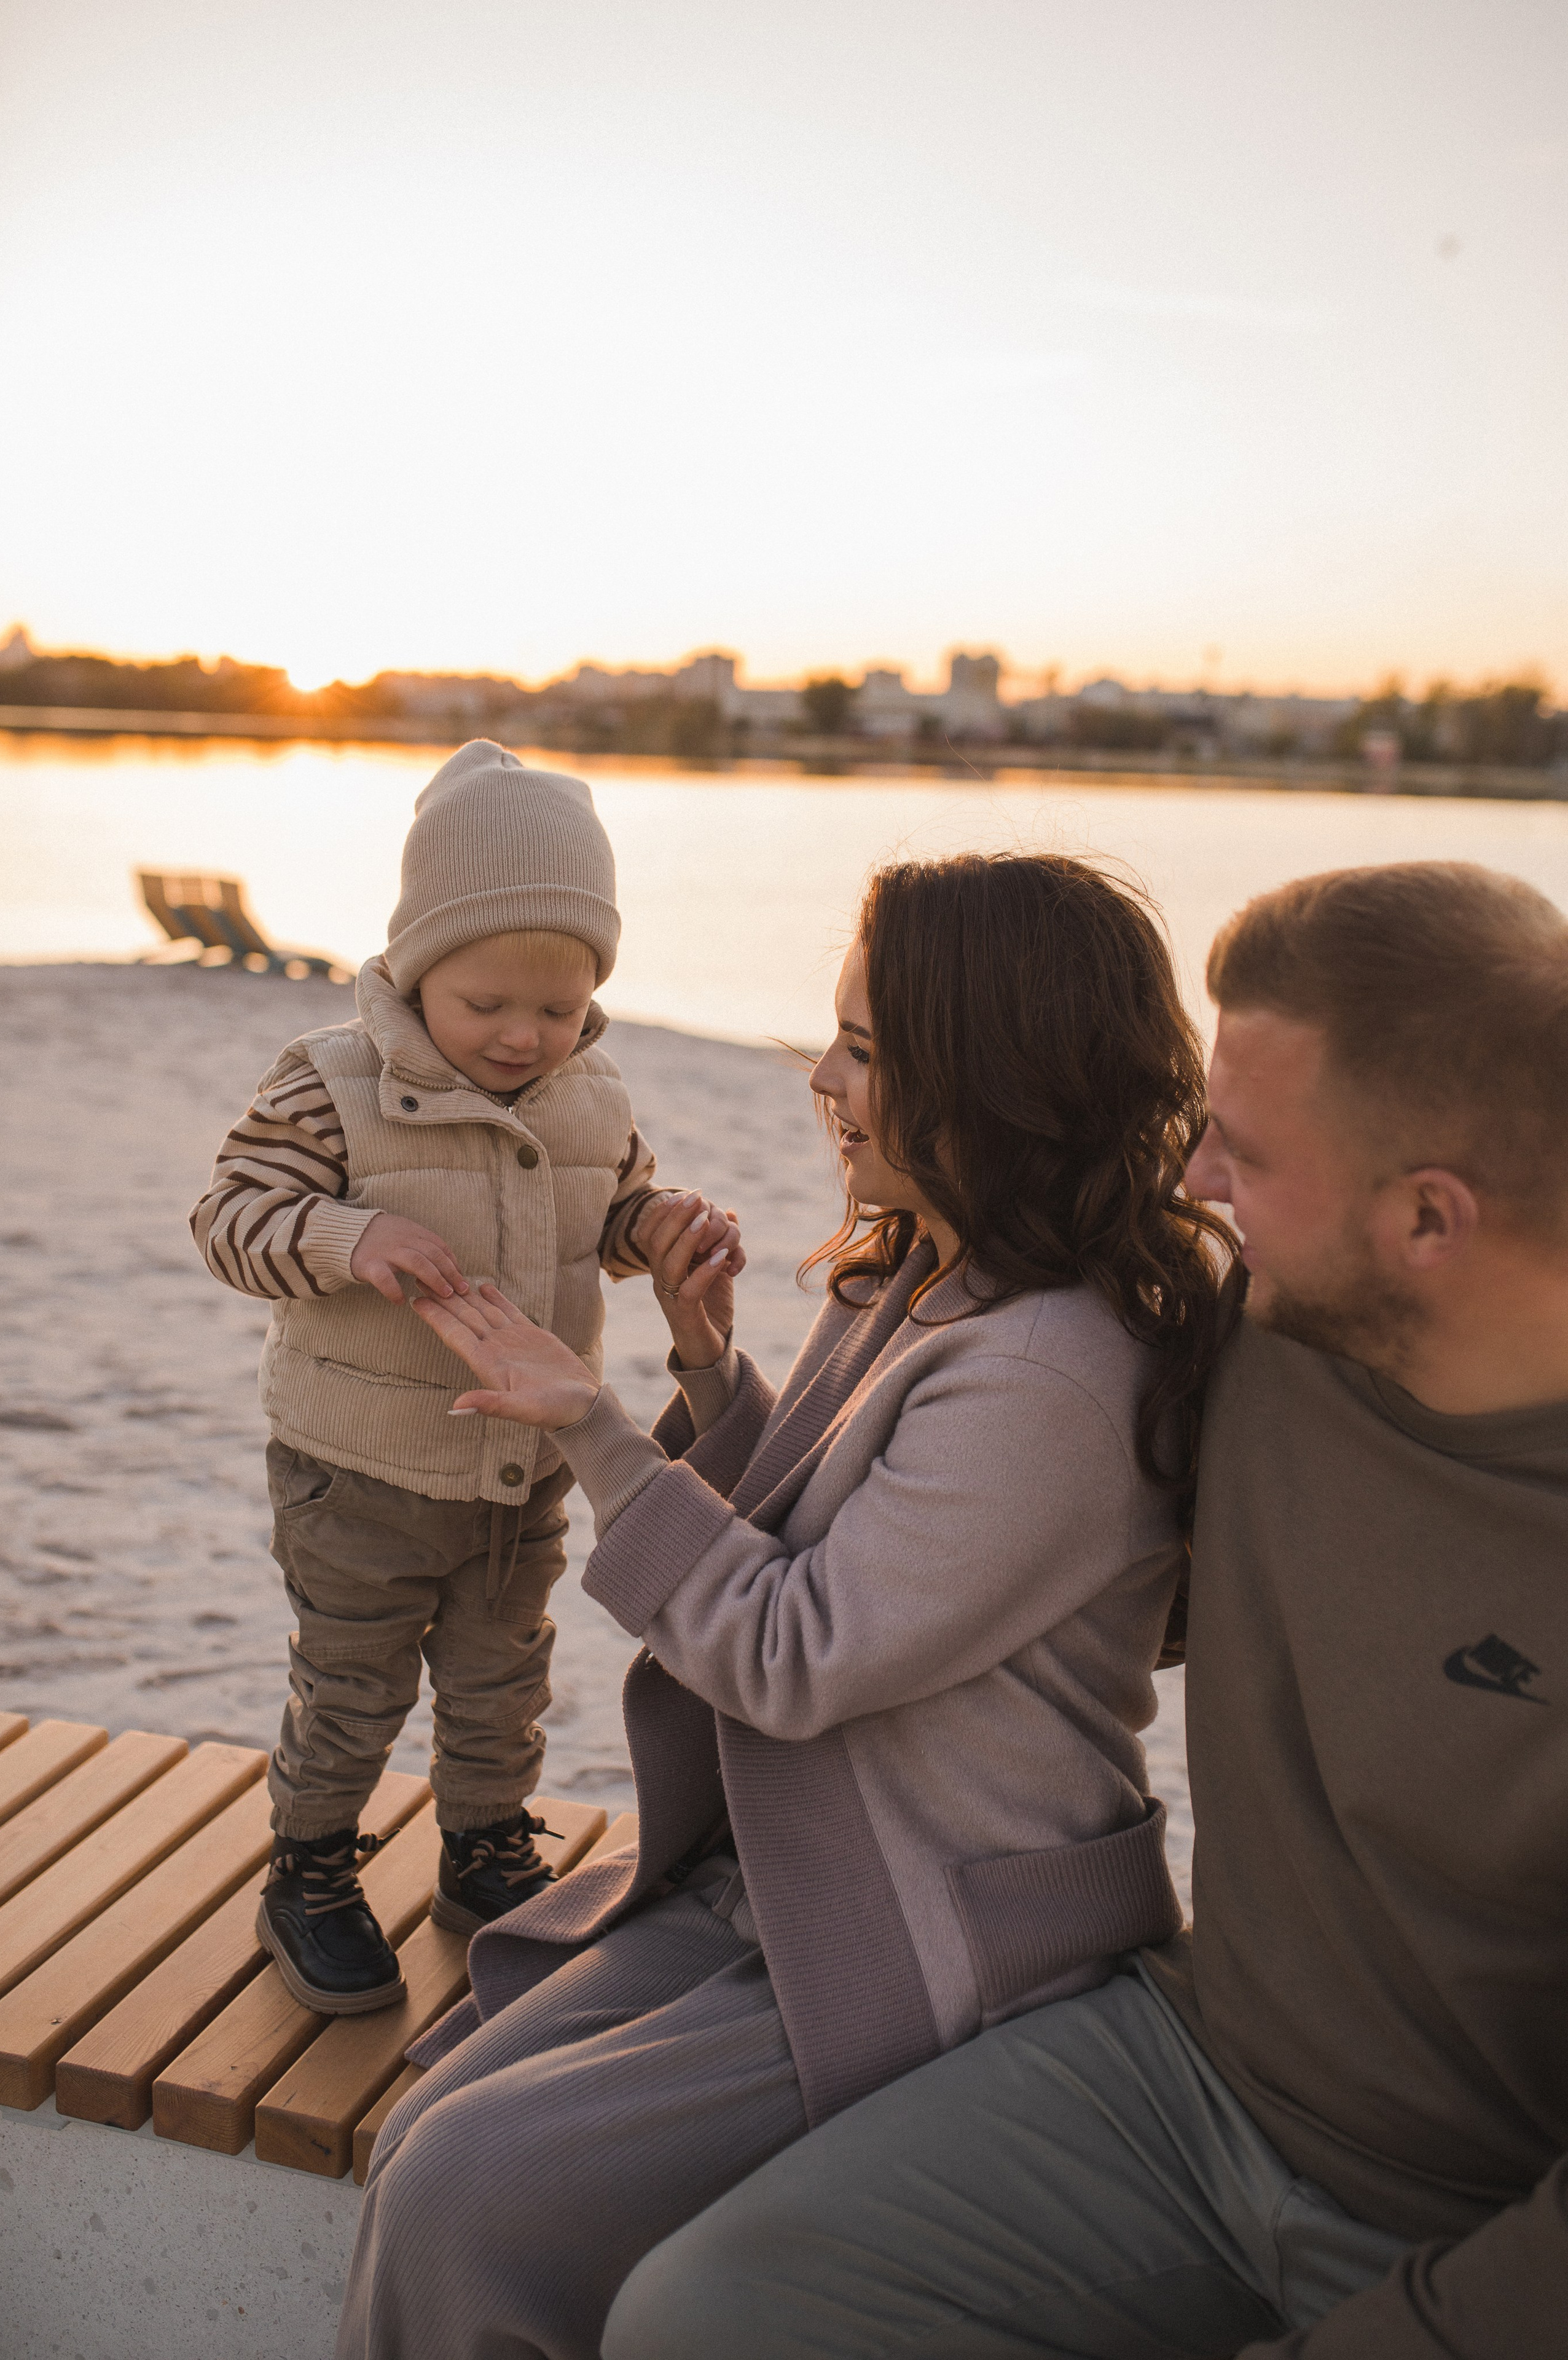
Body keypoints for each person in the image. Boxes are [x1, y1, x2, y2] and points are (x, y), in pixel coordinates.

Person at [605, 858, 1568, 2360]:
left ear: (1427, 1221)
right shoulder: (1260, 1337)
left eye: (1241, 1155)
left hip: (1462, 2215)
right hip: (1188, 2075)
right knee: (699, 2318)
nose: (1189, 1186)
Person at [333, 850, 1234, 2360]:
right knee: (428, 2115)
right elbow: (831, 1548)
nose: (825, 1076)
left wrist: (595, 1429)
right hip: (781, 1880)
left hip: (924, 1922)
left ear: (991, 1067)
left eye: (868, 1049)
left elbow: (794, 1651)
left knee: (472, 2195)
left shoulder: (1046, 1371)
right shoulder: (928, 1277)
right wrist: (703, 1371)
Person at [190, 739, 739, 2012]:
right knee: (354, 1680)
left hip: (521, 1464)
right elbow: (228, 1220)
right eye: (487, 1002)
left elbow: (605, 1210)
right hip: (360, 1465)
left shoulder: (588, 1091)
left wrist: (649, 1233)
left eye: (555, 1009)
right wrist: (343, 1234)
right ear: (416, 963)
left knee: (503, 1674)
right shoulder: (329, 1084)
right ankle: (311, 1866)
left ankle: (482, 1849)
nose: (521, 1036)